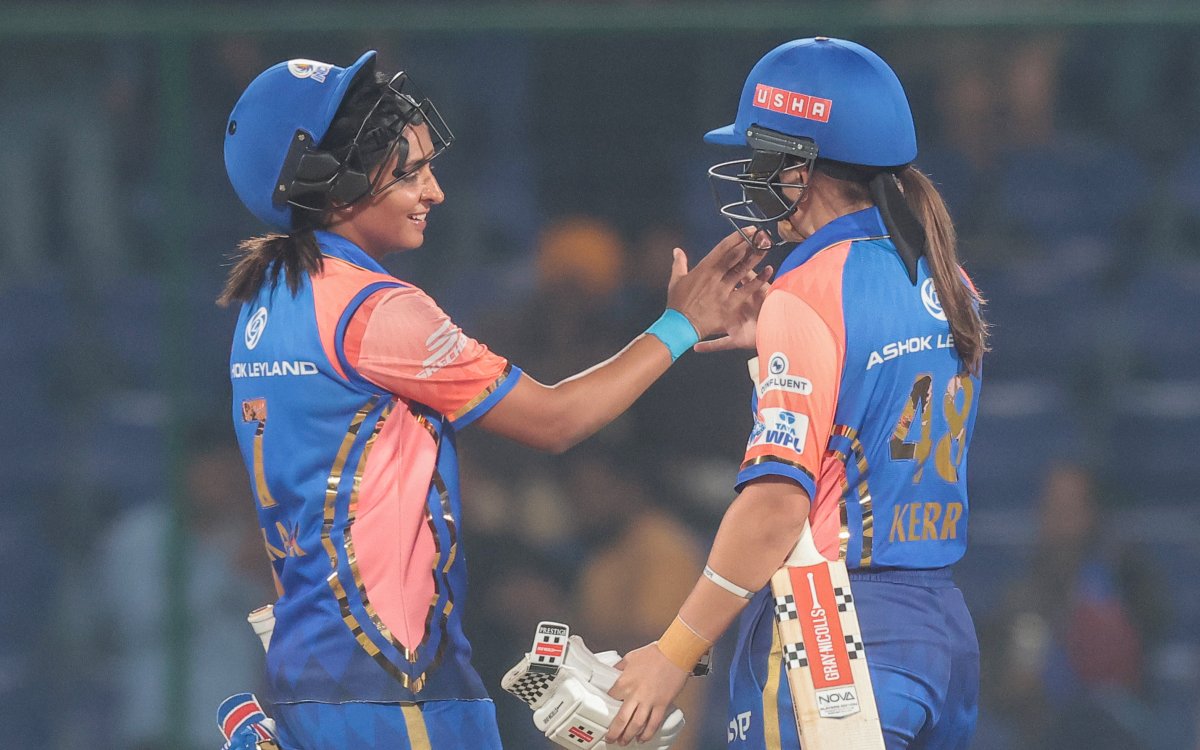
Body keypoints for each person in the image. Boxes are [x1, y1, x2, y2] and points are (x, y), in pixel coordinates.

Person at [218, 51, 768, 749]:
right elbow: (557, 419)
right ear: (331, 178)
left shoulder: (265, 305)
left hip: (313, 679)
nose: (435, 191)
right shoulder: (374, 309)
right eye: (410, 172)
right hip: (399, 688)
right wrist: (682, 323)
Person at [605, 38, 988, 750]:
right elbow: (877, 392)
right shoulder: (946, 275)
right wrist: (779, 339)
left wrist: (672, 654)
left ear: (802, 167)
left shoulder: (808, 288)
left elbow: (776, 509)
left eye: (763, 155)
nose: (753, 172)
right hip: (942, 632)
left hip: (832, 628)